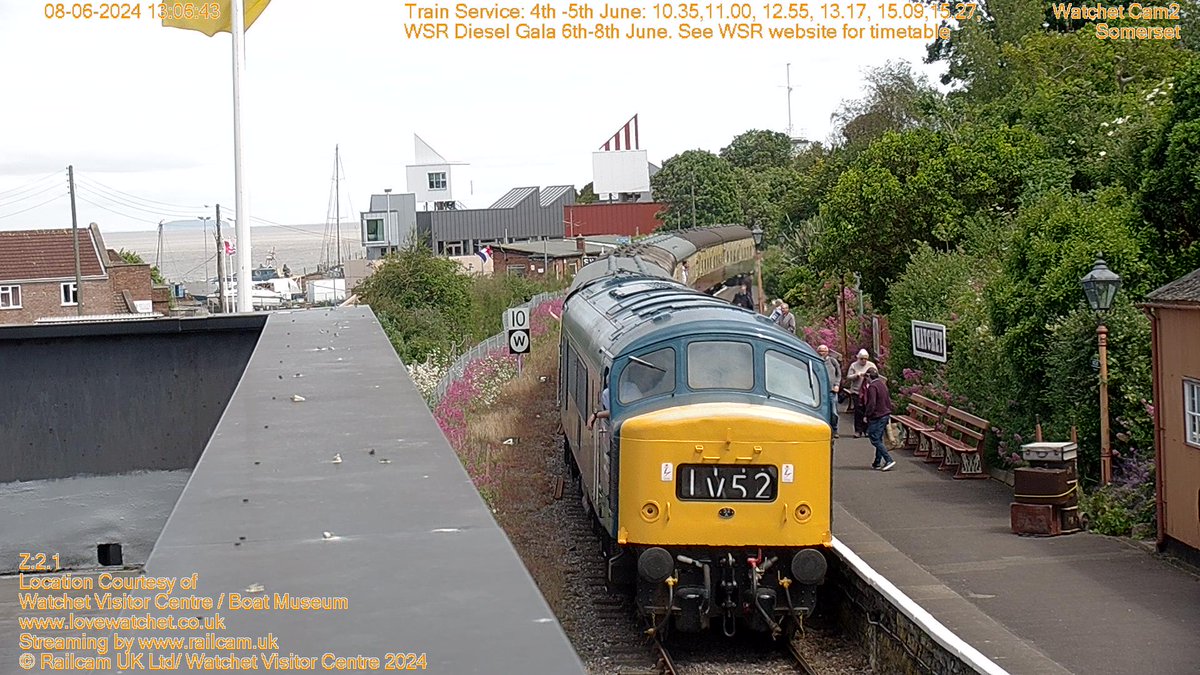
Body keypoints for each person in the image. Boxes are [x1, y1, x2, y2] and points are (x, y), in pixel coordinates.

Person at [862, 366, 895, 471]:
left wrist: (867, 415)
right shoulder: (882, 384)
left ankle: (888, 459)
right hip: (885, 413)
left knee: (874, 438)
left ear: (868, 376)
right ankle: (877, 462)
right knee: (879, 437)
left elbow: (872, 403)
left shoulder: (872, 387)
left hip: (877, 415)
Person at [845, 349, 877, 438]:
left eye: (865, 359)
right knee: (858, 411)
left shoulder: (871, 365)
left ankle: (867, 430)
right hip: (856, 391)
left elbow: (875, 376)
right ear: (858, 358)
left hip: (868, 392)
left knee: (868, 410)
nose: (864, 361)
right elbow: (848, 377)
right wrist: (856, 375)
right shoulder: (854, 365)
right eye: (862, 359)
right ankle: (858, 430)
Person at [816, 344, 842, 438]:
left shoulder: (832, 361)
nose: (821, 353)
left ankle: (835, 429)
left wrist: (837, 385)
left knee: (834, 412)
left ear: (827, 352)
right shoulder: (816, 361)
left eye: (823, 351)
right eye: (820, 351)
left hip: (832, 391)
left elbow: (838, 374)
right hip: (820, 391)